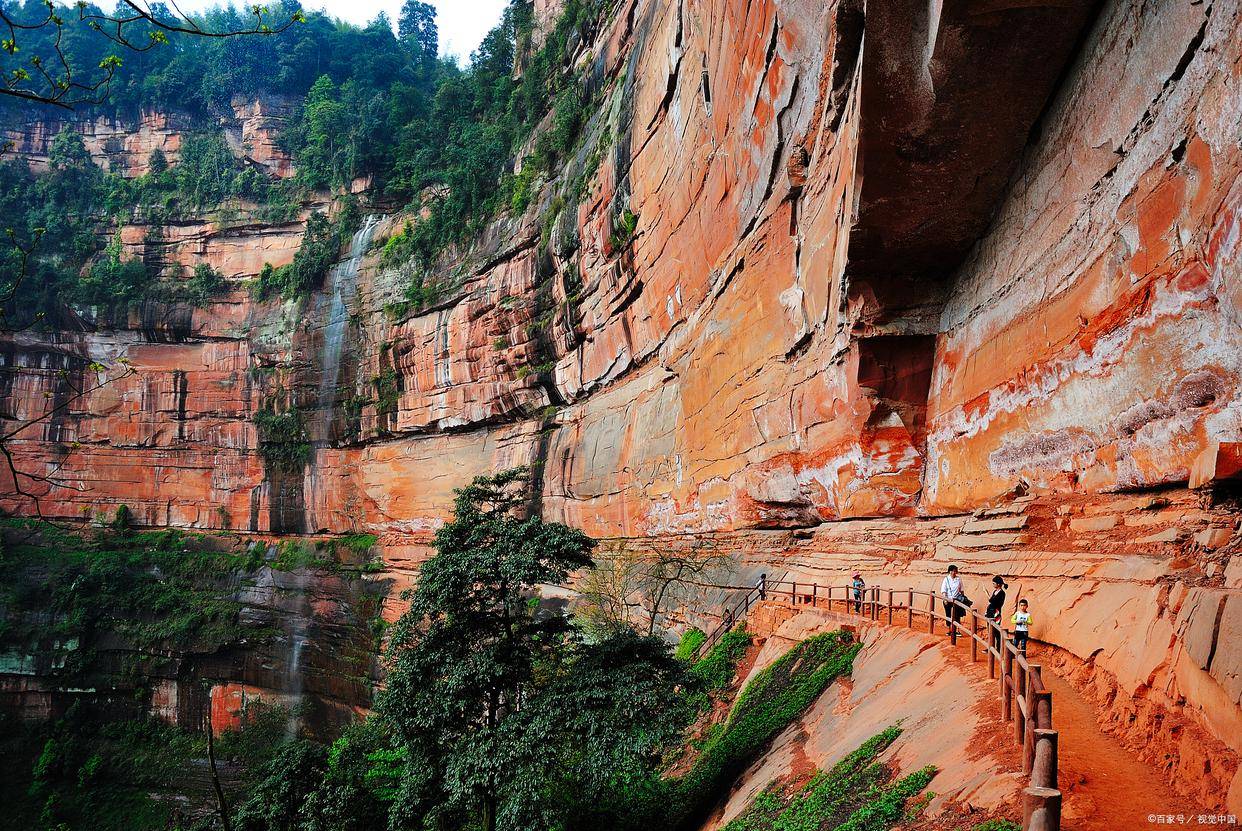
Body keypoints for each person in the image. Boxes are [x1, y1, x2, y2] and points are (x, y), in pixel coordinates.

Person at [940, 564, 965, 634]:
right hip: (948, 600)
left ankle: (957, 630)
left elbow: (961, 589)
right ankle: (950, 630)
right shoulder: (946, 579)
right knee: (948, 614)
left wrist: (963, 598)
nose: (955, 572)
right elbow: (944, 590)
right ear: (950, 571)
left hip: (956, 600)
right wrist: (945, 599)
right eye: (954, 571)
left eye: (956, 571)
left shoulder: (958, 579)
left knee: (957, 615)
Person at [986, 575, 1008, 650]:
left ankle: (998, 648)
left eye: (994, 583)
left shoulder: (1002, 593)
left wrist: (986, 594)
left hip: (996, 613)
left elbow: (994, 602)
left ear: (998, 584)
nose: (993, 584)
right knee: (990, 630)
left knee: (996, 631)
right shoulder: (995, 591)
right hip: (990, 612)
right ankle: (991, 646)